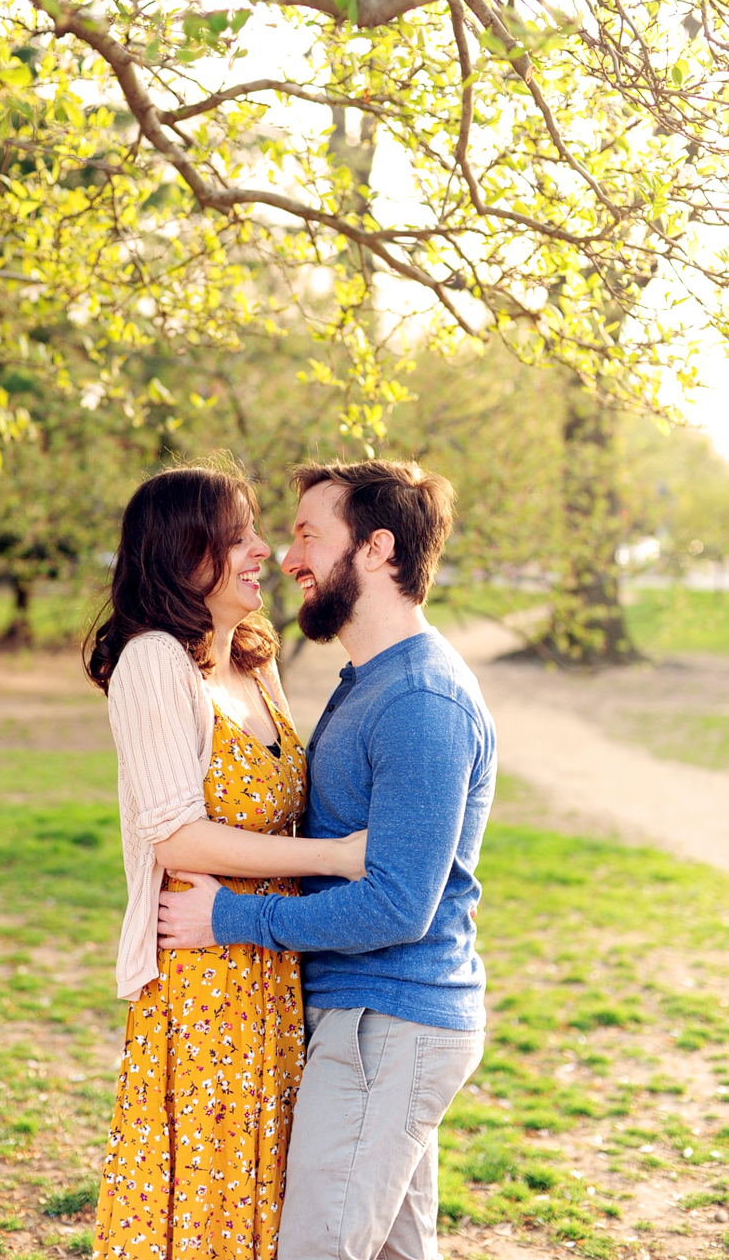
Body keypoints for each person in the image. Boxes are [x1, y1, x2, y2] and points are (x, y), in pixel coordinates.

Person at [159, 458, 497, 1260]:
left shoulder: (421, 700)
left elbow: (396, 905)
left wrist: (231, 916)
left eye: (310, 534)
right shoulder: (371, 679)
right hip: (371, 1018)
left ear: (378, 549)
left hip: (389, 1019)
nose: (288, 557)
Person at [83, 463, 366, 1260]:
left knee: (267, 1188)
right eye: (239, 535)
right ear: (185, 552)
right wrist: (338, 857)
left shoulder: (254, 655)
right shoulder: (152, 664)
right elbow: (174, 833)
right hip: (203, 975)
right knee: (208, 1194)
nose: (265, 550)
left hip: (272, 964)